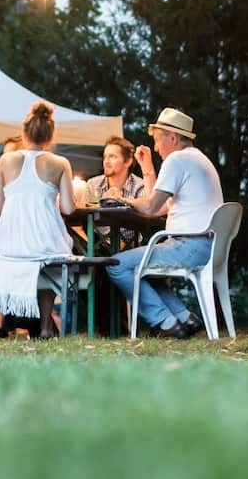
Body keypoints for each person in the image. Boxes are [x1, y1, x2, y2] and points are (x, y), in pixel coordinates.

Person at [107, 108, 223, 340]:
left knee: (118, 264)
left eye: (158, 141)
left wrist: (121, 199)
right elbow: (158, 208)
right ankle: (183, 318)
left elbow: (149, 208)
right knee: (146, 272)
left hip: (189, 246)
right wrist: (147, 168)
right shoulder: (198, 159)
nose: (157, 148)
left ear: (173, 138)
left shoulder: (177, 160)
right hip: (207, 246)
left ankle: (165, 322)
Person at [0, 101, 76, 338]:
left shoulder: (6, 161)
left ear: (23, 132)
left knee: (38, 257)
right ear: (51, 135)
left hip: (11, 244)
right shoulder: (60, 163)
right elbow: (69, 209)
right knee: (51, 254)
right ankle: (46, 327)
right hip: (46, 243)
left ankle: (11, 323)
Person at [86, 136, 154, 248]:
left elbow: (148, 210)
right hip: (96, 246)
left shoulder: (139, 186)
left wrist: (121, 200)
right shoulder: (93, 184)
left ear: (127, 161)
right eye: (105, 157)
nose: (106, 162)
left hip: (131, 246)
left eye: (112, 157)